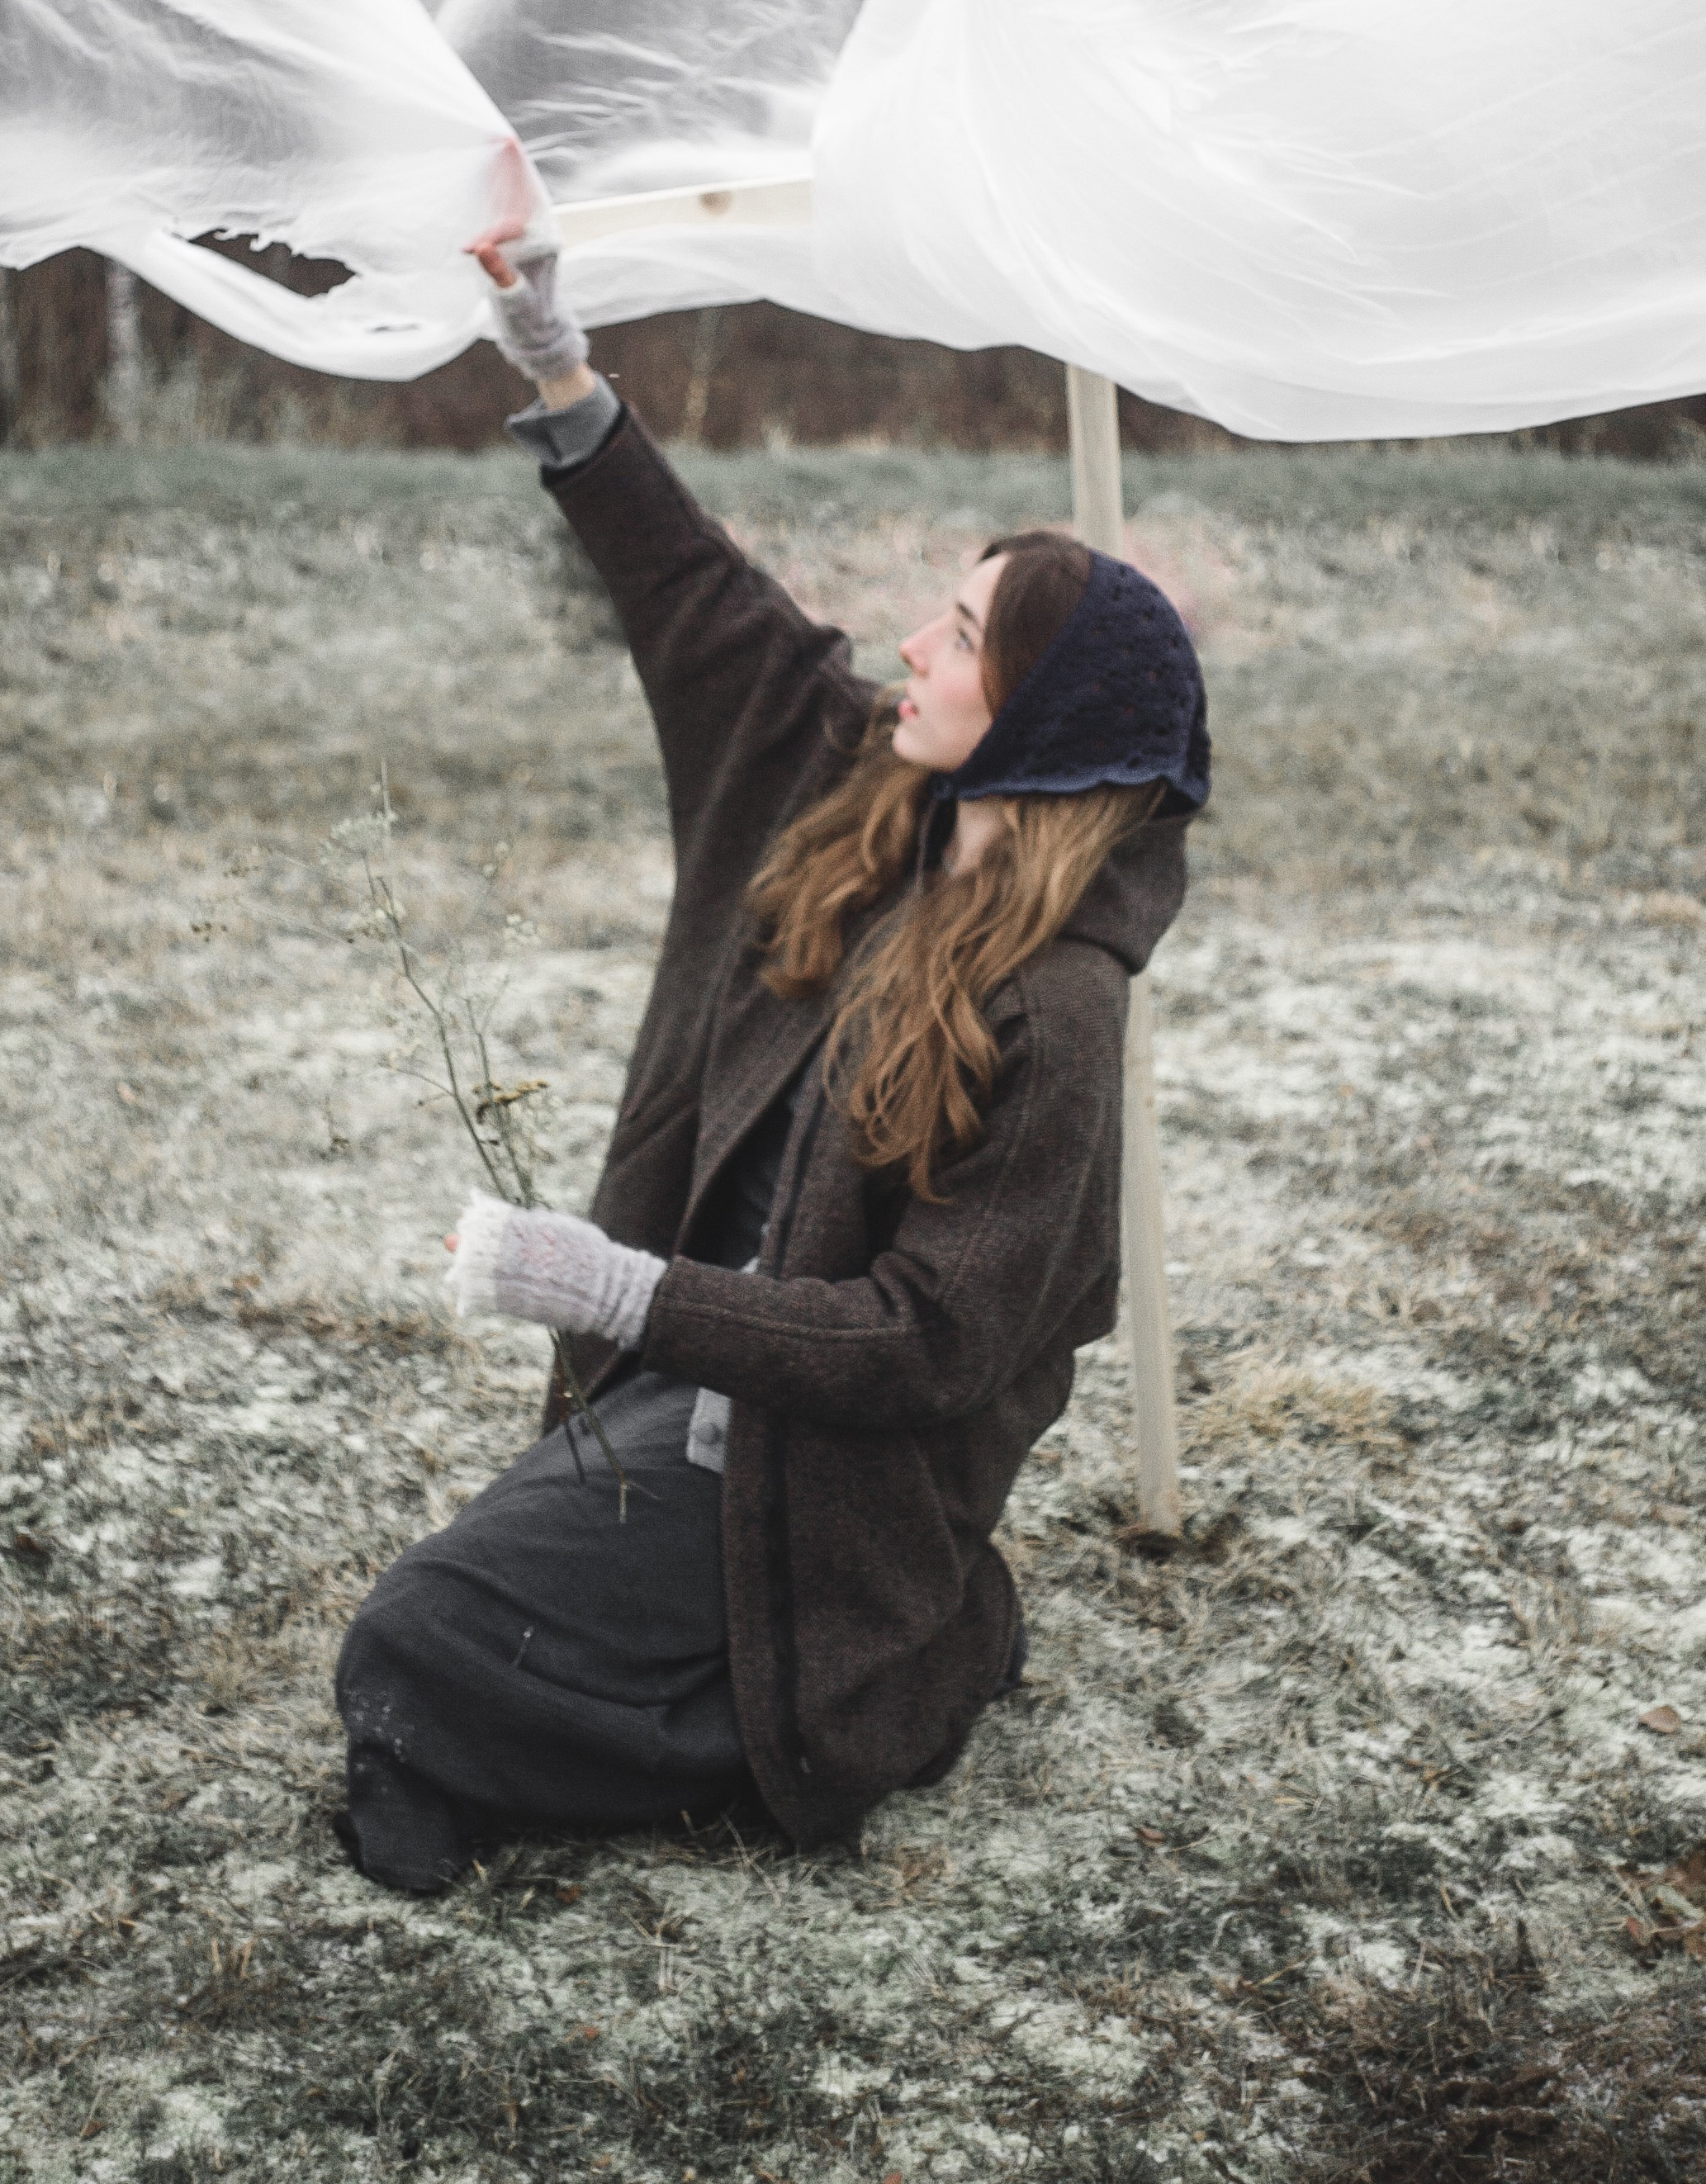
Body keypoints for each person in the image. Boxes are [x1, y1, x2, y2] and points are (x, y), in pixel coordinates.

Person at [333, 227, 1210, 1893]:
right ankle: (741, 1682)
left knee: (422, 1634)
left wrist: (612, 1289)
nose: (914, 646)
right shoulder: (854, 788)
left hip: (838, 1471)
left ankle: (909, 1656)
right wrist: (557, 368)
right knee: (438, 1616)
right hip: (690, 1398)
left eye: (961, 634)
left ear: (1038, 714)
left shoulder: (1056, 1010)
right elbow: (696, 597)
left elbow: (922, 1346)